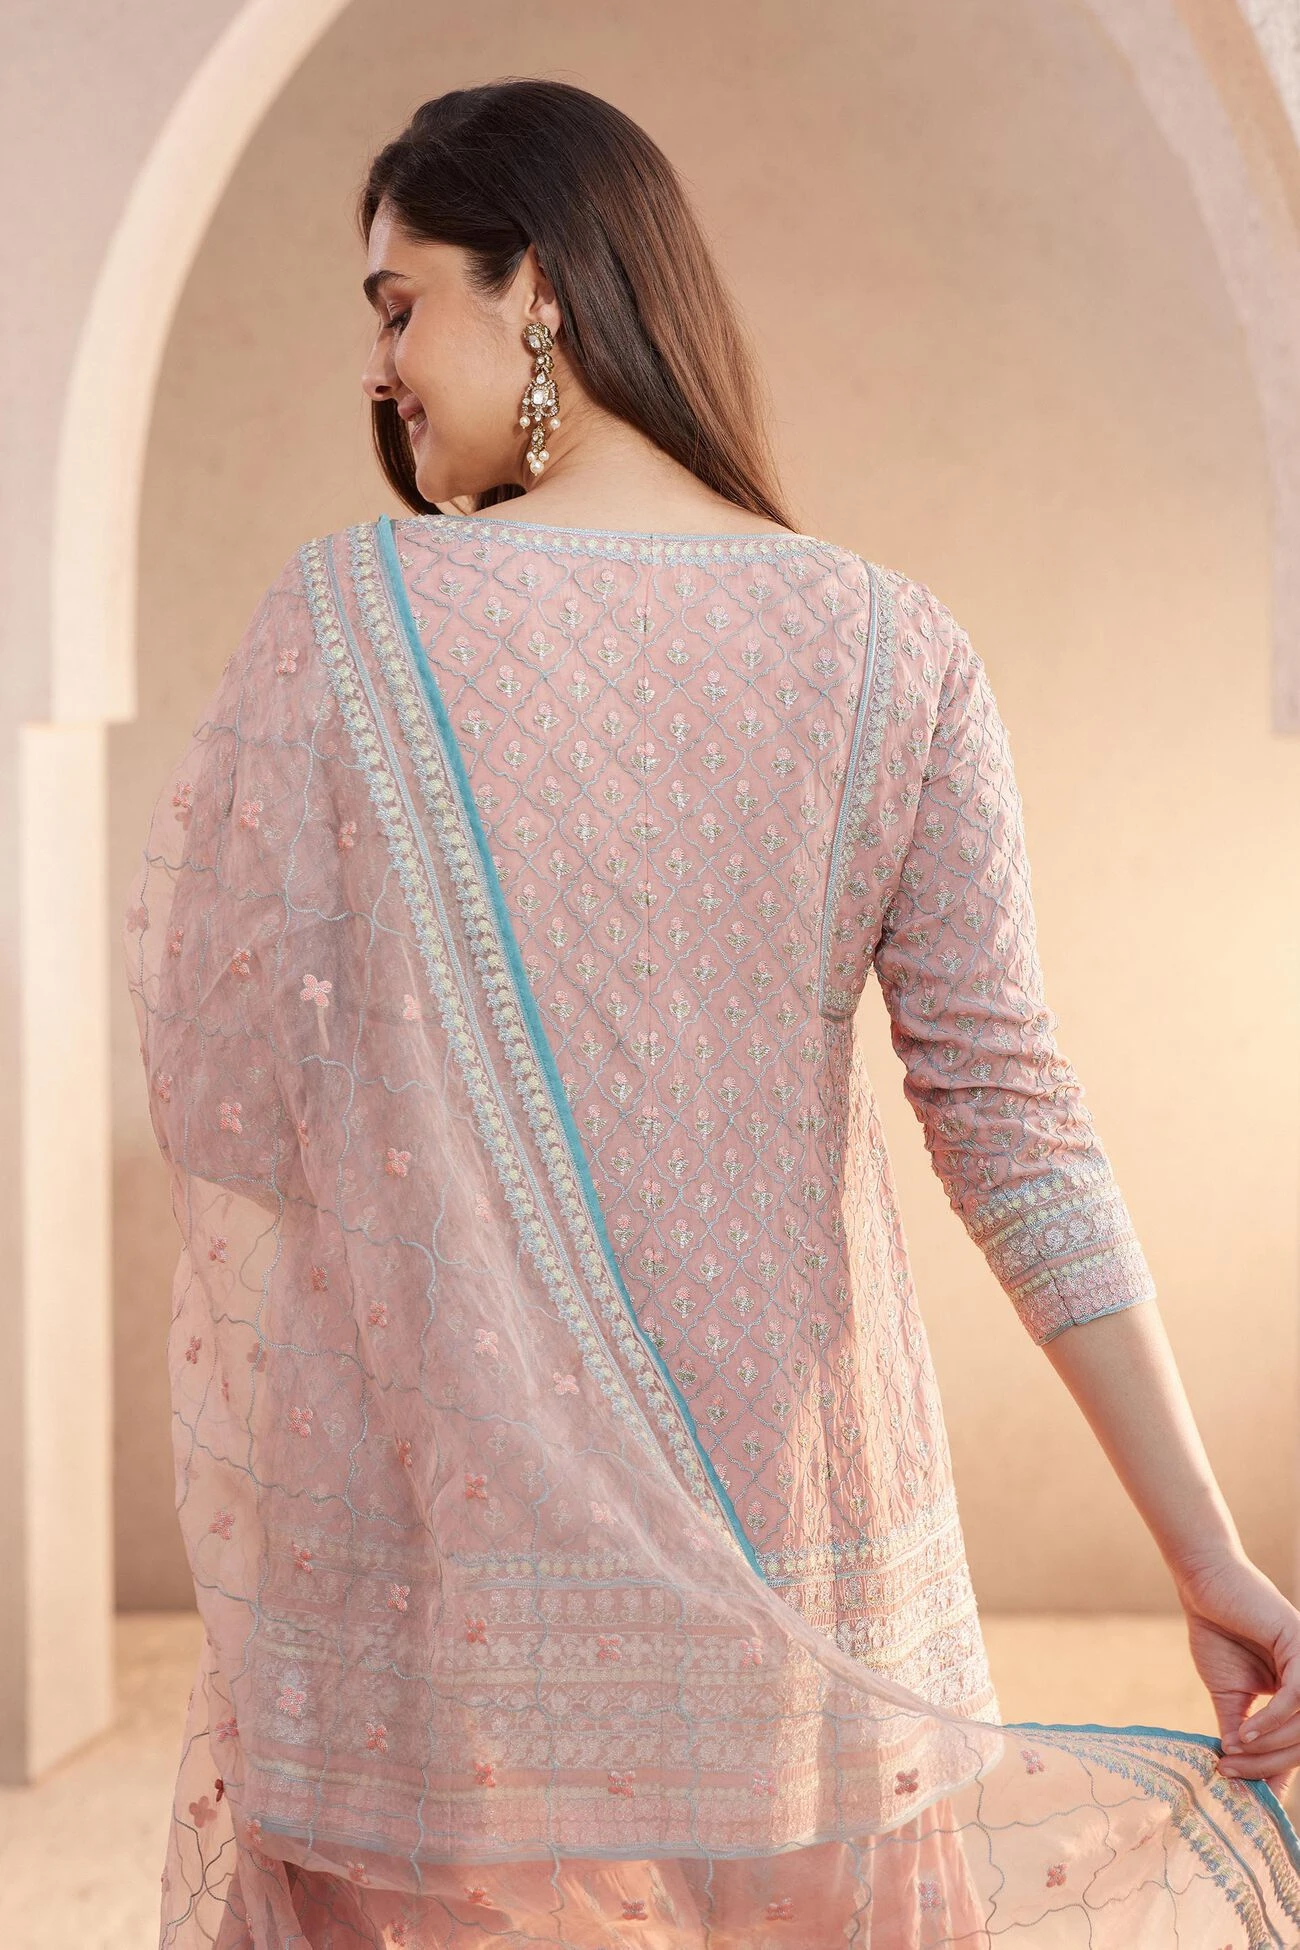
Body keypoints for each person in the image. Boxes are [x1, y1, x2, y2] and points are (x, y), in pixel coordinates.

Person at [125, 78, 1300, 1949]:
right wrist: (1208, 1548)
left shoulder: (345, 623)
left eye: (400, 303)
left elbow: (226, 1088)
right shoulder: (894, 649)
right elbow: (1014, 1126)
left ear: (540, 292)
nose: (379, 367)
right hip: (796, 1566)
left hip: (440, 1573)